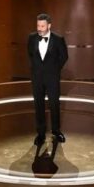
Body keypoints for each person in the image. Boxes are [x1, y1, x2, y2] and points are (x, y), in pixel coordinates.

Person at [28, 13, 69, 145]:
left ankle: (56, 131)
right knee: (38, 105)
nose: (39, 28)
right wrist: (36, 70)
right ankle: (40, 134)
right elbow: (30, 54)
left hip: (52, 78)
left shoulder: (58, 39)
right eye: (38, 26)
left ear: (49, 26)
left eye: (42, 26)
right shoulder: (32, 38)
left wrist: (55, 70)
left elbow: (64, 56)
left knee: (54, 104)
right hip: (37, 78)